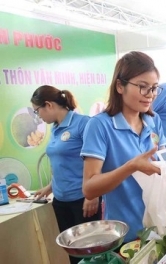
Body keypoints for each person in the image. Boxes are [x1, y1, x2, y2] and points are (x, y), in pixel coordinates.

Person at [81, 51, 166, 243]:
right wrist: (131, 166)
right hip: (126, 234)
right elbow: (89, 188)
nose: (150, 95)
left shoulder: (153, 121)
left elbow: (165, 165)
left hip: (160, 226)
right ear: (120, 86)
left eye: (154, 88)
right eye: (142, 87)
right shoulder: (100, 126)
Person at [31, 85, 101, 264]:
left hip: (82, 200)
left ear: (48, 105)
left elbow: (99, 161)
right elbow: (62, 163)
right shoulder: (55, 128)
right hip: (60, 200)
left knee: (89, 251)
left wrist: (93, 195)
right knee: (72, 251)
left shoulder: (83, 124)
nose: (39, 116)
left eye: (37, 111)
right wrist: (50, 187)